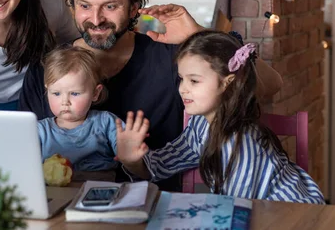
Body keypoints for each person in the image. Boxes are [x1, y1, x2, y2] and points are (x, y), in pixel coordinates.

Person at [18, 0, 283, 191]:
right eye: (84, 6)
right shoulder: (46, 69)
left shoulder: (173, 59)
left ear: (135, 8)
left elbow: (271, 85)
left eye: (110, 6)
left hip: (157, 208)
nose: (95, 19)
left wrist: (199, 35)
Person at [115, 31, 324, 204]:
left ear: (227, 83)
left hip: (293, 216)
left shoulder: (240, 144)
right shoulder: (199, 124)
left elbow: (237, 208)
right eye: (181, 79)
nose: (182, 89)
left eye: (194, 81)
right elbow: (164, 164)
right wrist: (132, 160)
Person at [37, 45, 121, 180]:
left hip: (99, 191)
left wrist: (128, 148)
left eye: (75, 93)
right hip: (56, 194)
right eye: (56, 93)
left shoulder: (106, 122)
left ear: (95, 93)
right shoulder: (39, 131)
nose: (65, 101)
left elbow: (127, 151)